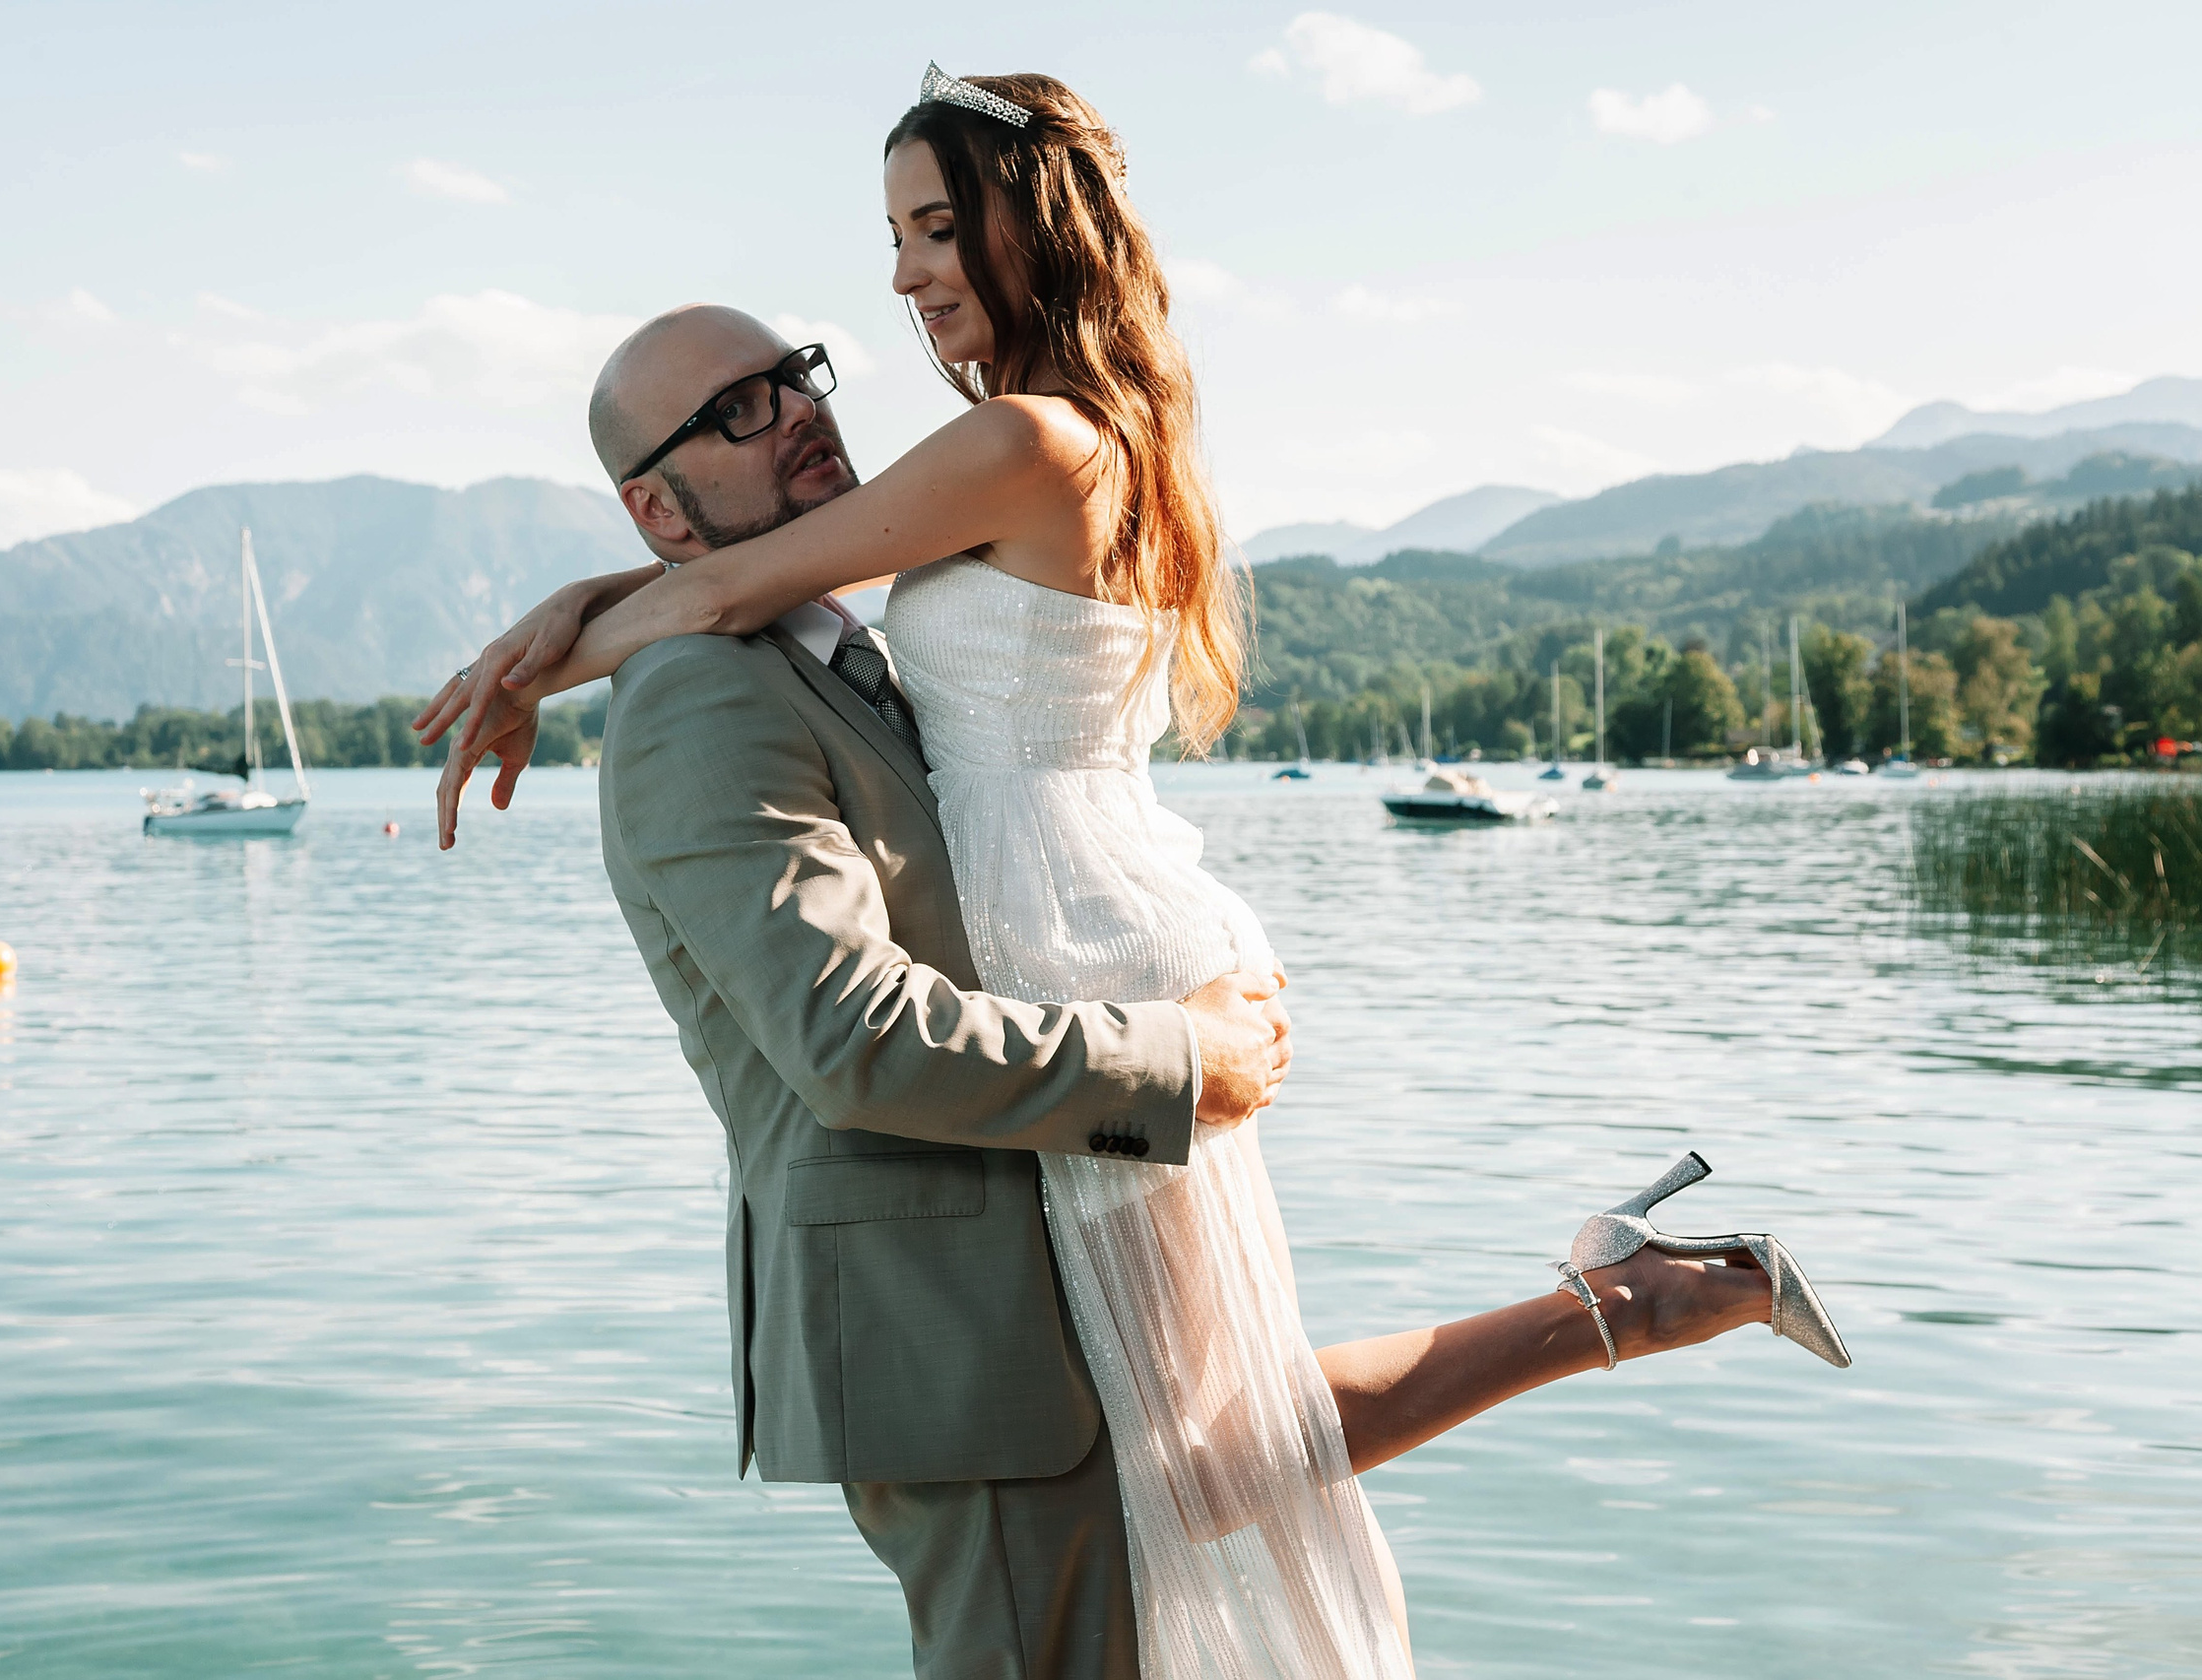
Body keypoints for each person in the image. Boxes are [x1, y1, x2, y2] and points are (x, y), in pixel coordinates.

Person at [421, 68, 1831, 1680]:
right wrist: (595, 605)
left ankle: (1622, 1310)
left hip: (1081, 947)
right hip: (1075, 950)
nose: (879, 306)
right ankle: (1621, 1306)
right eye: (891, 241)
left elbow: (726, 590)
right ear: (659, 490)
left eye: (934, 230)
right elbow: (728, 588)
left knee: (1197, 1454)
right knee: (1215, 1444)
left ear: (1033, 224)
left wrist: (553, 636)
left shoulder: (1019, 441)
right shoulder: (1010, 464)